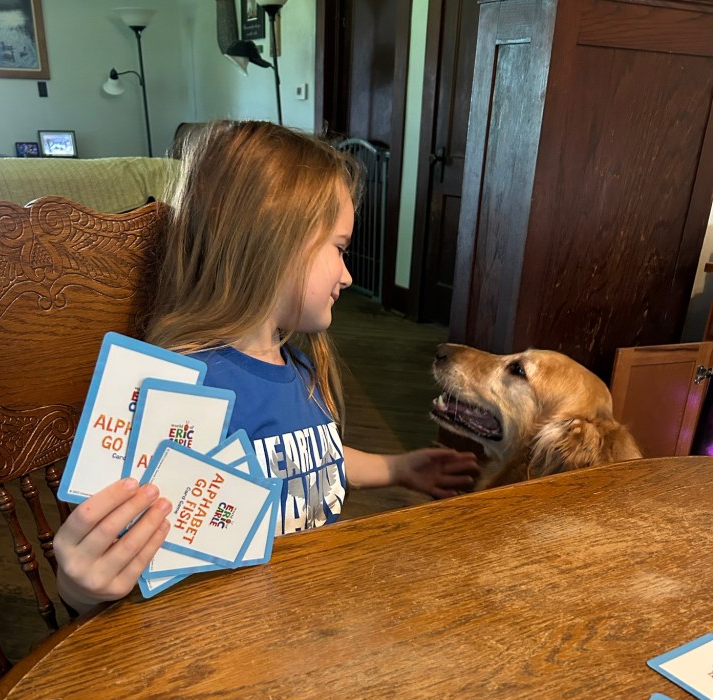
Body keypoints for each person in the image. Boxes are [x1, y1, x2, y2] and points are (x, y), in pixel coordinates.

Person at [54, 120, 478, 614]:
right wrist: (82, 587)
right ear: (275, 242)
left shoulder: (297, 362)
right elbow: (121, 562)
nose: (347, 275)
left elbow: (309, 458)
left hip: (316, 606)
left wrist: (397, 468)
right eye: (339, 248)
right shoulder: (184, 388)